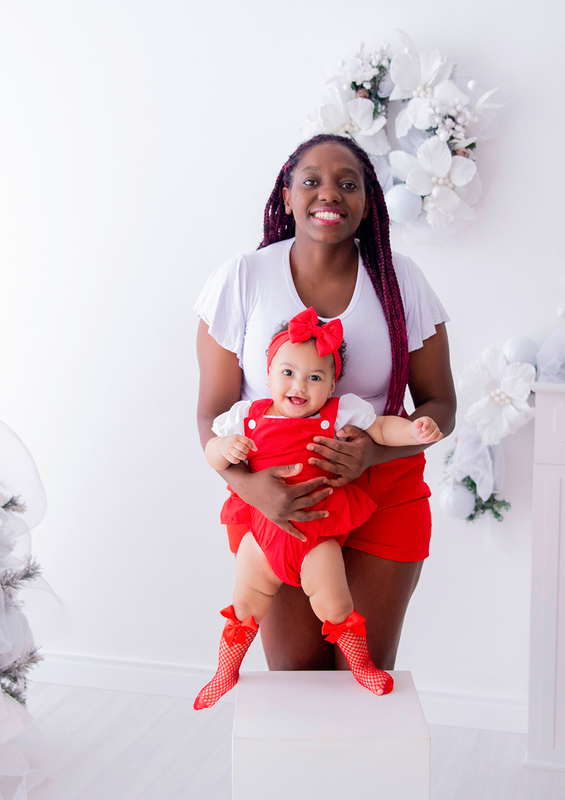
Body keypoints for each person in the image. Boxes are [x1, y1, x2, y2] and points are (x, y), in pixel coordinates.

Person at [194, 132, 455, 691]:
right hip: (281, 498)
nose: (328, 193)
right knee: (296, 682)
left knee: (361, 677)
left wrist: (375, 452)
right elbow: (211, 417)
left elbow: (442, 405)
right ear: (286, 195)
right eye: (310, 180)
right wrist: (255, 490)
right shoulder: (242, 278)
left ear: (367, 201)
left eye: (347, 183)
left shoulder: (399, 280)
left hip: (386, 494)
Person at [194, 308, 443, 709]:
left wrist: (413, 429)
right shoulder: (246, 417)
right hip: (262, 538)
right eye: (288, 373)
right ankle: (226, 670)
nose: (300, 385)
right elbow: (211, 451)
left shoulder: (341, 412)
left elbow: (381, 428)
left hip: (315, 539)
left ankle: (361, 665)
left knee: (335, 603)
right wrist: (224, 449)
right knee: (246, 603)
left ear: (331, 385)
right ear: (268, 372)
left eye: (315, 378)